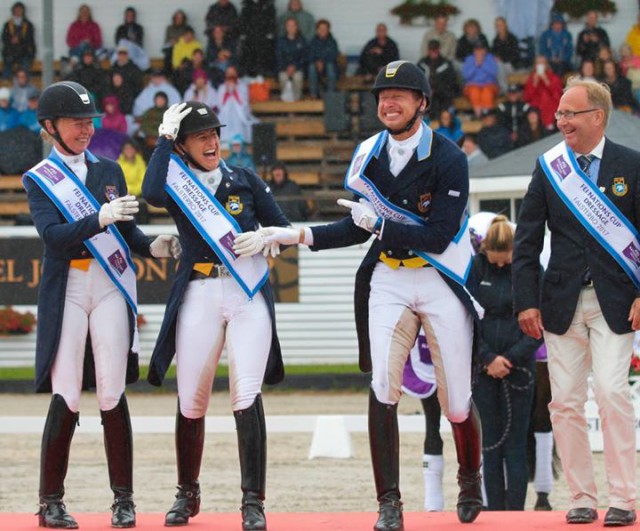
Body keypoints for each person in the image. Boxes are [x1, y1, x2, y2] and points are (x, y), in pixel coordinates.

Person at [237, 60, 484, 529]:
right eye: (381, 96)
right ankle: (389, 502)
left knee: (456, 401)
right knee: (382, 387)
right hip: (389, 276)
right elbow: (355, 227)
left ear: (422, 103)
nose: (388, 103)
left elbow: (438, 234)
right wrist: (297, 236)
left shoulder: (449, 156)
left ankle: (470, 479)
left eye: (400, 95)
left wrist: (382, 225)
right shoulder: (368, 151)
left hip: (438, 277)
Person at [24, 80, 180, 529]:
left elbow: (125, 234)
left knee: (112, 391)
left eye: (89, 122)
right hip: (69, 285)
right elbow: (53, 238)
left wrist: (153, 247)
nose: (86, 130)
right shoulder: (39, 178)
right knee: (67, 392)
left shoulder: (109, 169)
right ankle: (50, 501)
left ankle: (124, 501)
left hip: (110, 284)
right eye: (76, 123)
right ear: (50, 126)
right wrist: (97, 219)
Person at [142, 100, 290, 530]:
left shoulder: (244, 179)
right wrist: (163, 141)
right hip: (200, 290)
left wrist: (265, 238)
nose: (211, 142)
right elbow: (151, 193)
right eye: (200, 136)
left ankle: (252, 502)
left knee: (246, 393)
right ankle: (187, 493)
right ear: (184, 145)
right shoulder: (175, 179)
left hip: (246, 293)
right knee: (192, 398)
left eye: (214, 134)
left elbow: (279, 225)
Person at [513, 77, 640, 527]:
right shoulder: (549, 168)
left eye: (569, 113)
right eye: (560, 114)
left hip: (618, 302)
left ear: (597, 117)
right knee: (564, 402)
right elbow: (526, 240)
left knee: (611, 392)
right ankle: (583, 497)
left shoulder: (632, 164)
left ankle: (624, 498)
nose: (561, 121)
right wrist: (525, 301)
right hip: (560, 303)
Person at [471, 215, 540, 511]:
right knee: (491, 443)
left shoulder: (529, 270)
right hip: (483, 366)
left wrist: (510, 359)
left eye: (505, 261)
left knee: (515, 444)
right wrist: (486, 358)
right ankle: (495, 511)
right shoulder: (474, 268)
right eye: (494, 261)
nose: (500, 266)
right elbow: (465, 319)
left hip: (518, 366)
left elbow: (540, 322)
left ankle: (516, 514)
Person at [215, 64, 258, 145]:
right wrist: (227, 93)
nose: (231, 76)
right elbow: (220, 106)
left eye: (232, 73)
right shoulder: (222, 87)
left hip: (239, 114)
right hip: (225, 115)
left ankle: (239, 139)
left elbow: (244, 104)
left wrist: (235, 92)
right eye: (229, 73)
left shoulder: (242, 86)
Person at [417, 39, 460, 118]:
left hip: (443, 94)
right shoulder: (422, 63)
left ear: (439, 49)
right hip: (426, 93)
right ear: (428, 50)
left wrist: (437, 88)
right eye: (431, 49)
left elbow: (452, 82)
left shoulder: (446, 64)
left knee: (439, 100)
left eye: (435, 49)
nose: (433, 52)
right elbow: (417, 80)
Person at [523, 56, 563, 132]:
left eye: (542, 63)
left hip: (552, 112)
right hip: (537, 112)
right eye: (538, 63)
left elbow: (558, 96)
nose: (540, 65)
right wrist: (534, 84)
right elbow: (527, 98)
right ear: (535, 66)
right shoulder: (531, 79)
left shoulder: (554, 78)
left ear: (547, 65)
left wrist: (547, 81)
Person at [462, 42, 499, 118]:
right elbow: (466, 76)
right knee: (474, 93)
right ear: (474, 51)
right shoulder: (469, 59)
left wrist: (483, 64)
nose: (479, 51)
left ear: (485, 50)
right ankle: (479, 117)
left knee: (487, 94)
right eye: (477, 49)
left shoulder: (490, 58)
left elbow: (494, 73)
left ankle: (488, 117)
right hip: (473, 85)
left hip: (489, 84)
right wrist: (476, 65)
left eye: (481, 49)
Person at [1, 2, 35, 80]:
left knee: (25, 64)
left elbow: (30, 40)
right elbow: (4, 38)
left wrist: (19, 40)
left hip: (24, 52)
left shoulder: (28, 25)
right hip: (10, 51)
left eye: (20, 10)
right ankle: (5, 82)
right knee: (7, 62)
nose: (18, 12)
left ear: (23, 11)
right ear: (13, 11)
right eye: (16, 10)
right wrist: (11, 40)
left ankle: (25, 83)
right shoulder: (7, 24)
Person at [276, 17, 307, 102]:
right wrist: (286, 67)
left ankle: (295, 104)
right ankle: (287, 104)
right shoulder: (281, 41)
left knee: (297, 77)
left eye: (293, 25)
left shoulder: (302, 40)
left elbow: (304, 57)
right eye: (289, 26)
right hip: (284, 68)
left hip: (298, 68)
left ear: (297, 27)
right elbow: (278, 57)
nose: (291, 28)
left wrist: (295, 66)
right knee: (283, 77)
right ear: (286, 27)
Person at [307, 19, 339, 99]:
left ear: (328, 30)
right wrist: (317, 62)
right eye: (320, 29)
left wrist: (322, 61)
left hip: (329, 67)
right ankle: (313, 95)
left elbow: (333, 55)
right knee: (311, 67)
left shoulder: (332, 42)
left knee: (330, 66)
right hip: (316, 68)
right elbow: (310, 55)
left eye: (325, 29)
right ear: (317, 30)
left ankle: (330, 95)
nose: (322, 31)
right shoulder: (312, 42)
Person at [538, 12, 573, 78]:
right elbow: (542, 50)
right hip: (549, 62)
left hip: (563, 62)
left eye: (560, 23)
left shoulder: (567, 35)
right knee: (547, 68)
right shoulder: (545, 35)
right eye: (556, 23)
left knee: (561, 68)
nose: (558, 26)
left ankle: (557, 86)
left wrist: (562, 59)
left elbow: (570, 51)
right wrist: (550, 58)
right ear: (552, 24)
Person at [163, 9, 188, 75]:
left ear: (183, 19)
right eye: (177, 18)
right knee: (168, 53)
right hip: (171, 47)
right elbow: (166, 41)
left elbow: (189, 40)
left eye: (181, 18)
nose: (178, 20)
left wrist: (178, 41)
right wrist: (170, 41)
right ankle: (168, 75)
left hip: (182, 49)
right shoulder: (169, 28)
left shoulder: (187, 28)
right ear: (174, 19)